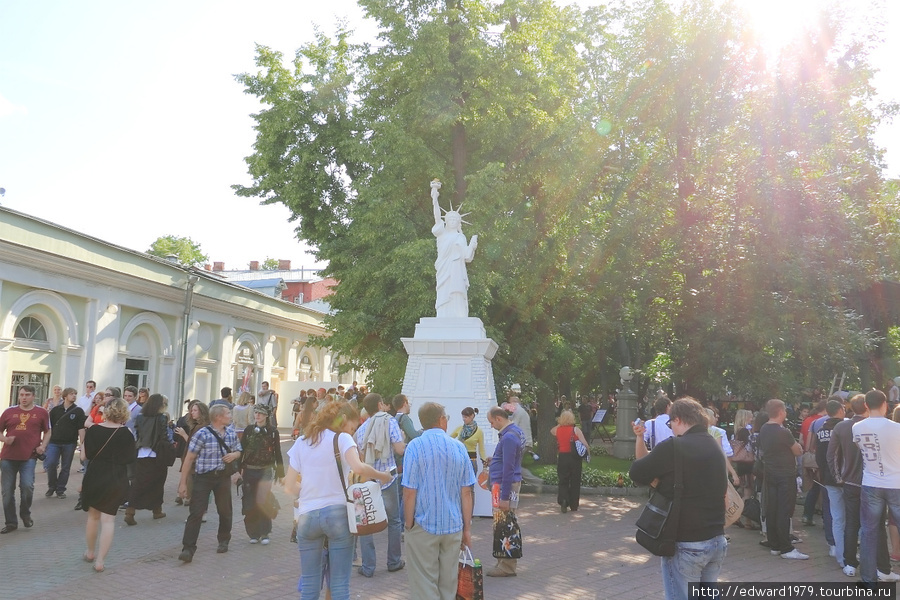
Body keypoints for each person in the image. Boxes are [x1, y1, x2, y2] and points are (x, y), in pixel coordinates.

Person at [286, 401, 392, 600]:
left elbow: (290, 485)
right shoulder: (342, 439)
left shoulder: (302, 441)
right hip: (337, 516)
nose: (352, 432)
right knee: (339, 585)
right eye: (352, 427)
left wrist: (311, 491)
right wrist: (383, 476)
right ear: (343, 420)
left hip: (307, 517)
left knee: (309, 584)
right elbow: (359, 468)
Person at [629, 397, 728, 600]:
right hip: (716, 540)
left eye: (671, 423)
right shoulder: (713, 444)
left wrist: (660, 482)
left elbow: (637, 472)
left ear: (679, 420)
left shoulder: (674, 446)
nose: (671, 428)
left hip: (687, 543)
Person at [403, 401, 475, 600]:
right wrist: (467, 529)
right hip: (453, 524)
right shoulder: (459, 447)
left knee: (424, 583)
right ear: (442, 419)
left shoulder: (414, 447)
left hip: (423, 523)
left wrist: (408, 525)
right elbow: (466, 492)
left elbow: (409, 491)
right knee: (448, 584)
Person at [177, 404, 243, 563]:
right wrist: (183, 483)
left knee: (225, 510)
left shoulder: (231, 433)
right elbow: (189, 458)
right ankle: (188, 548)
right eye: (228, 413)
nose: (230, 416)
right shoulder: (202, 434)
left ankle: (224, 539)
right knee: (196, 512)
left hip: (222, 477)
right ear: (218, 417)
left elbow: (239, 451)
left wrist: (234, 455)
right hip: (203, 478)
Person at [354, 393, 406, 577]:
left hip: (367, 480)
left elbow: (358, 460)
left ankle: (368, 566)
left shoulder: (360, 431)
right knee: (394, 521)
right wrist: (403, 441)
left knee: (365, 524)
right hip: (387, 479)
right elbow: (399, 449)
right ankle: (393, 561)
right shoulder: (389, 421)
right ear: (380, 404)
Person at [80, 398, 135, 572]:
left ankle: (90, 552)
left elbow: (84, 457)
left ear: (106, 411)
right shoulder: (127, 433)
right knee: (109, 520)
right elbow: (130, 459)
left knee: (93, 517)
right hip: (116, 477)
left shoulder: (94, 430)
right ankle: (101, 561)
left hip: (95, 475)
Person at [852, 389, 900, 583]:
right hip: (895, 483)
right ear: (885, 404)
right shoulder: (896, 428)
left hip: (871, 483)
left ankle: (868, 580)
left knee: (869, 532)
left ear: (865, 405)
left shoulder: (857, 427)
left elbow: (859, 447)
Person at [759, 399, 807, 559]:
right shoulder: (783, 432)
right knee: (784, 510)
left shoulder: (764, 428)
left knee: (772, 508)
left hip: (770, 473)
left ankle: (775, 544)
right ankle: (786, 548)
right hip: (785, 475)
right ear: (780, 412)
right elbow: (798, 450)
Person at [828, 394, 869, 577]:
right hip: (874, 482)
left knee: (851, 523)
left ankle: (850, 562)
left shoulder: (842, 426)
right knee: (873, 525)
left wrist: (838, 477)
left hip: (851, 482)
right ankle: (877, 565)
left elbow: (832, 455)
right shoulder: (876, 425)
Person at [0, 385, 50, 533]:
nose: (23, 397)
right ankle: (11, 522)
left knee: (27, 486)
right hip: (8, 457)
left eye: (27, 395)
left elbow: (48, 431)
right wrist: (5, 439)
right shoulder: (9, 412)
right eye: (21, 395)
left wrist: (43, 446)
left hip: (29, 456)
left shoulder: (41, 412)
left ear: (33, 396)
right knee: (7, 490)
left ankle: (25, 513)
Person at [486, 405, 525, 577]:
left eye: (492, 422)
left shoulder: (508, 437)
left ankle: (507, 566)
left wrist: (504, 497)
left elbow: (508, 468)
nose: (491, 425)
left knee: (505, 524)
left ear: (499, 418)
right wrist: (495, 459)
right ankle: (503, 561)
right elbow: (510, 461)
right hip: (504, 484)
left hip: (504, 486)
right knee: (503, 524)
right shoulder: (515, 432)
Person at [430, 179, 477, 318]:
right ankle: (444, 314)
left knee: (457, 291)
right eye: (450, 219)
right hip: (444, 268)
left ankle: (459, 315)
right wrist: (434, 197)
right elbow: (437, 216)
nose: (452, 221)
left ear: (458, 223)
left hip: (457, 270)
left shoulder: (461, 237)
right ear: (446, 221)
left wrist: (472, 246)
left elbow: (467, 257)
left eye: (455, 220)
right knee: (444, 291)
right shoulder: (442, 233)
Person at [125, 393, 174, 525]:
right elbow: (163, 435)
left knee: (138, 483)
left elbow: (138, 433)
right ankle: (157, 510)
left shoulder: (140, 417)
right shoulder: (162, 417)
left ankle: (130, 510)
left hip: (142, 452)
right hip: (157, 453)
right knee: (158, 482)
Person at [240, 404, 284, 545]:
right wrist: (237, 470)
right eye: (256, 413)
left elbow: (277, 452)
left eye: (260, 413)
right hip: (249, 470)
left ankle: (265, 532)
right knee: (250, 501)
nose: (257, 415)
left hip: (265, 470)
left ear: (266, 415)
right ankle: (253, 533)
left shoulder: (272, 432)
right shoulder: (249, 430)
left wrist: (280, 473)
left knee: (263, 500)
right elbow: (241, 450)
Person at [810, 398, 845, 567]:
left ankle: (833, 545)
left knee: (831, 511)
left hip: (826, 476)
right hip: (845, 477)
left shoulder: (820, 429)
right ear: (840, 410)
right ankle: (847, 548)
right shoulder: (846, 428)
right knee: (848, 513)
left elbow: (815, 452)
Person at [45, 387, 86, 500]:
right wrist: (45, 442)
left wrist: (82, 443)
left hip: (69, 443)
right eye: (71, 394)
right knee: (51, 464)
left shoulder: (78, 411)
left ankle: (60, 489)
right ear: (65, 396)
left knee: (66, 467)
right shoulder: (55, 410)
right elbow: (49, 427)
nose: (74, 396)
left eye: (75, 394)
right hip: (54, 442)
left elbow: (81, 428)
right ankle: (52, 486)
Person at [550, 409, 589, 514]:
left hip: (562, 457)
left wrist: (560, 424)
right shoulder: (575, 430)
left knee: (563, 479)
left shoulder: (558, 430)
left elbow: (552, 431)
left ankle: (563, 499)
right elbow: (584, 443)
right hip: (574, 458)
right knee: (575, 480)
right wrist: (588, 453)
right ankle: (574, 504)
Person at [173, 400, 210, 505]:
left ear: (202, 412)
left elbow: (195, 444)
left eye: (194, 410)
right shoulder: (195, 424)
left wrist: (184, 434)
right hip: (191, 457)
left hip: (197, 460)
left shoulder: (202, 427)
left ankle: (189, 498)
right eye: (191, 410)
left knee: (193, 480)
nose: (191, 412)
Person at [450, 407, 485, 476]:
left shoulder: (479, 431)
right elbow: (449, 439)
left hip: (471, 460)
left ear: (472, 416)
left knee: (469, 486)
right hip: (459, 460)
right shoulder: (460, 428)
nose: (464, 419)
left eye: (466, 417)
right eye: (463, 417)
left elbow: (481, 449)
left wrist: (484, 462)